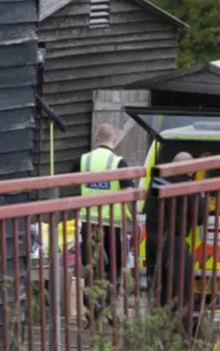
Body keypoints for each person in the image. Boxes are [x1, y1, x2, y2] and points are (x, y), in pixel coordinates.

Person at [72, 123, 135, 326]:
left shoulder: (82, 160)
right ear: (113, 141)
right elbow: (129, 192)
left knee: (90, 265)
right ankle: (109, 307)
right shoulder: (119, 162)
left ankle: (91, 309)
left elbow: (70, 186)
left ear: (95, 139)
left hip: (88, 222)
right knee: (114, 267)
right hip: (112, 225)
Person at [144, 152, 206, 333]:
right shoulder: (191, 186)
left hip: (153, 242)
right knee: (181, 293)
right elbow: (199, 218)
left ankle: (157, 333)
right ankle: (180, 335)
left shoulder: (155, 181)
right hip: (174, 244)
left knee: (158, 290)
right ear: (191, 169)